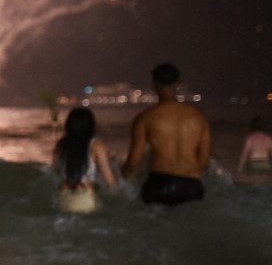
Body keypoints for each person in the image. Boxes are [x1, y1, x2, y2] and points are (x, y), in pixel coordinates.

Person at [122, 63, 212, 206]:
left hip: (158, 183)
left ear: (154, 84)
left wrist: (121, 183)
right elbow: (204, 160)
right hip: (191, 185)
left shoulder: (146, 117)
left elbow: (134, 162)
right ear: (178, 84)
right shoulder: (199, 117)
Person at [52, 107, 118, 213]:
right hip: (85, 198)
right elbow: (110, 181)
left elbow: (56, 170)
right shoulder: (97, 145)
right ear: (91, 125)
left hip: (64, 198)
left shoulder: (61, 145)